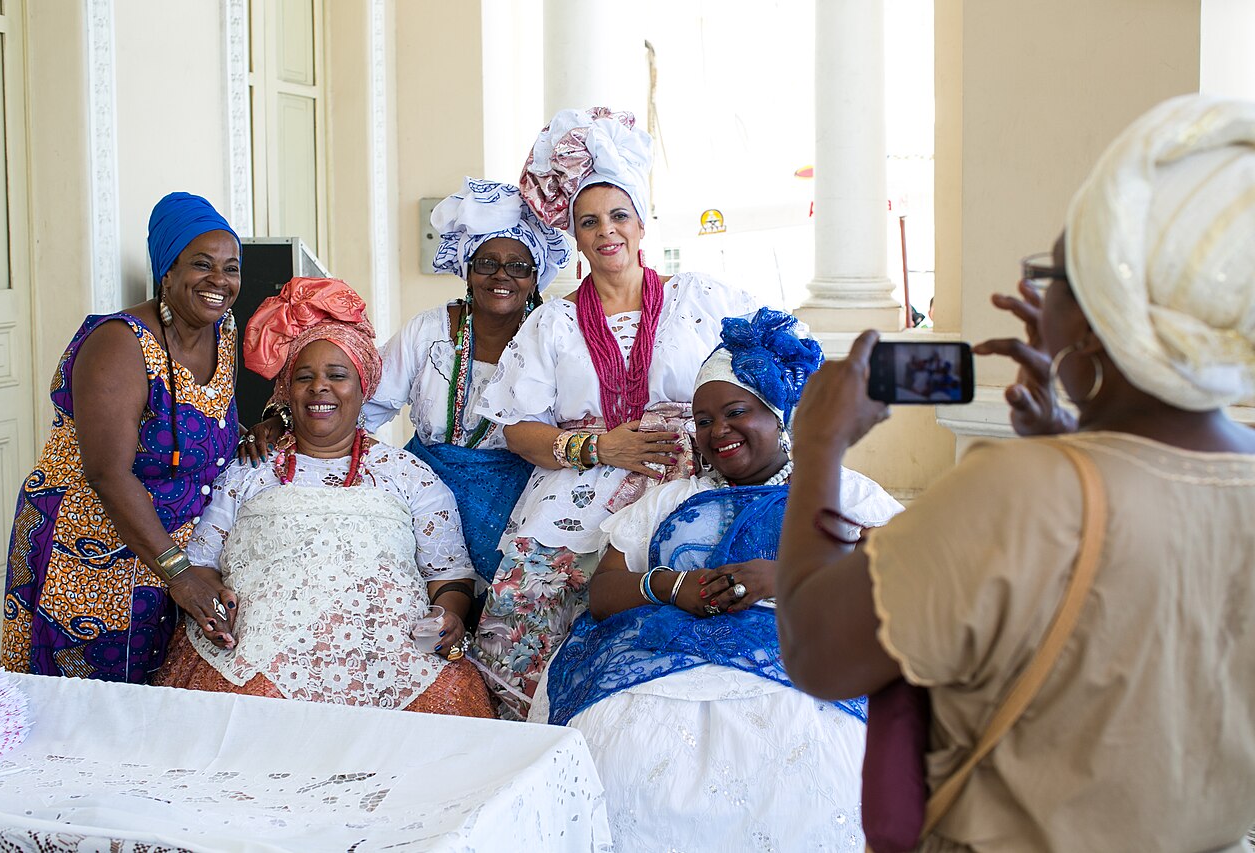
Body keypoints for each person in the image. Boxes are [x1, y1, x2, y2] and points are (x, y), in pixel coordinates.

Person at [776, 94, 1255, 851]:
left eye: (1056, 277)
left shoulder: (1022, 491)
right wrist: (1079, 431)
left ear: (1098, 321)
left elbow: (815, 649)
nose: (1038, 298)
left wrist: (819, 446)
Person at [531, 308, 902, 851]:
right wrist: (672, 588)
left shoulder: (842, 492)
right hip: (656, 655)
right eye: (703, 422)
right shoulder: (669, 499)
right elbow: (605, 591)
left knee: (812, 755)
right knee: (616, 750)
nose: (717, 432)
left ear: (781, 416)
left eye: (735, 412)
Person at [471, 107, 759, 718]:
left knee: (679, 622)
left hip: (686, 483)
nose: (607, 232)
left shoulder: (700, 298)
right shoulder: (551, 321)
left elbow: (772, 367)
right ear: (572, 237)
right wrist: (603, 448)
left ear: (641, 223)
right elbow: (519, 428)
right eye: (588, 221)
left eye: (618, 216)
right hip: (574, 488)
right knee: (527, 635)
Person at [154, 277, 493, 716]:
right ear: (286, 393)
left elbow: (450, 576)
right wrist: (217, 599)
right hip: (258, 663)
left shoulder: (411, 477)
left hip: (390, 666)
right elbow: (202, 565)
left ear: (363, 386)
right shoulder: (248, 470)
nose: (320, 388)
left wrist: (447, 616)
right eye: (304, 377)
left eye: (337, 375)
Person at [3, 192, 243, 681]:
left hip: (175, 560)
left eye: (232, 267)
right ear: (167, 273)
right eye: (202, 264)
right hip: (89, 556)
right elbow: (108, 473)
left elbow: (199, 417)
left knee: (160, 705)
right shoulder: (118, 343)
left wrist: (248, 433)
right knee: (85, 715)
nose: (220, 281)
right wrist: (178, 573)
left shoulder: (224, 329)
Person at [361, 178, 571, 583]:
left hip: (520, 499)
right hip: (422, 495)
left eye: (518, 266)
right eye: (487, 262)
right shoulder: (429, 330)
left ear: (534, 278)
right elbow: (366, 405)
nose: (501, 275)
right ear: (469, 270)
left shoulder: (554, 337)